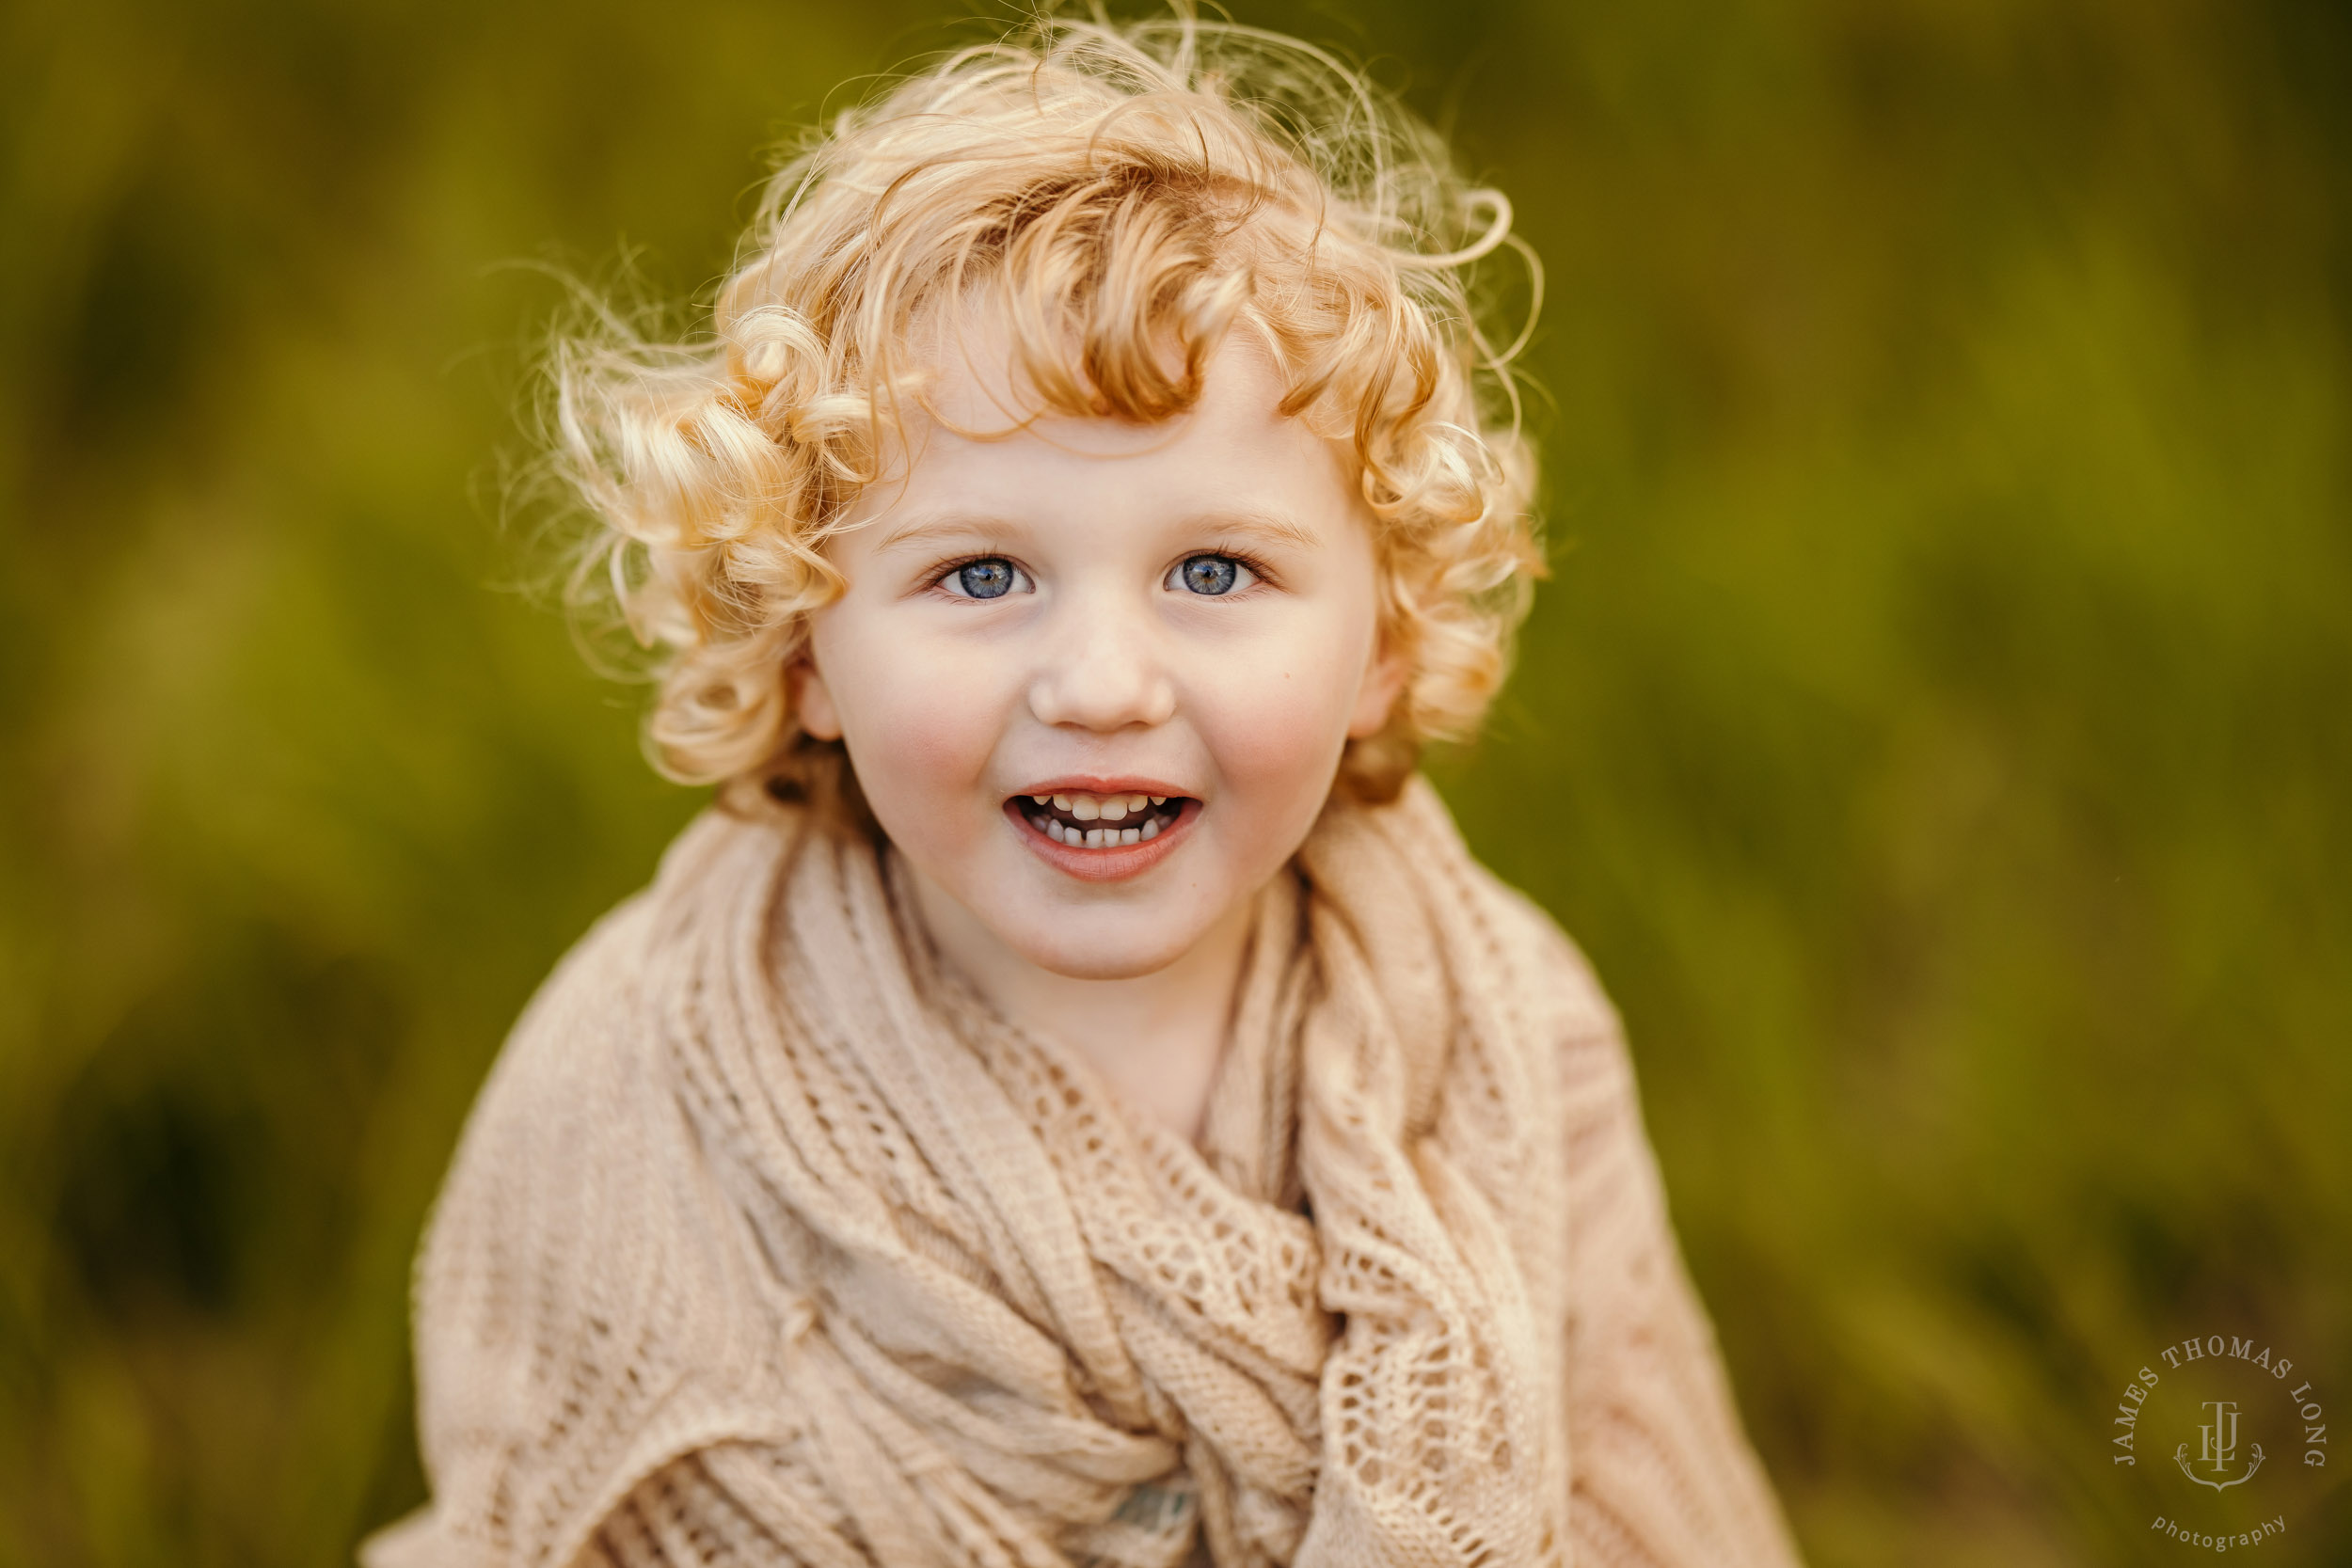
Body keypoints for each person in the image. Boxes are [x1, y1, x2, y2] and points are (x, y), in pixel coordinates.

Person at [365, 13, 1803, 1566]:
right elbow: (541, 1510)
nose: (1102, 682)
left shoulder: (1507, 1040)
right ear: (801, 652)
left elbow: (1647, 1512)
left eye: (1214, 568)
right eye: (982, 572)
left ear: (1380, 642)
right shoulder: (635, 1090)